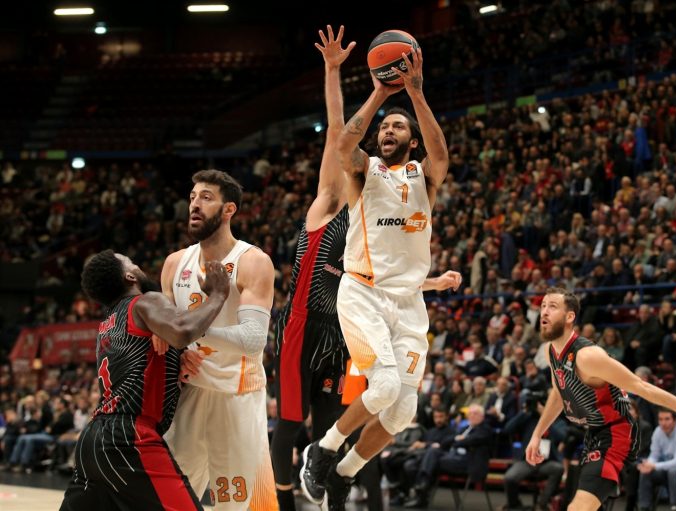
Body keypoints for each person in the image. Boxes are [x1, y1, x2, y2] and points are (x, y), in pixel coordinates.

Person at [272, 26, 461, 511]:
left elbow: (441, 153)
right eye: (385, 128)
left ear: (412, 142)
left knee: (403, 409)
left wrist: (416, 93)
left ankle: (344, 473)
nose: (388, 131)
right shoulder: (362, 173)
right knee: (382, 387)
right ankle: (324, 450)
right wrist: (378, 91)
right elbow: (341, 141)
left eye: (398, 128)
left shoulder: (425, 177)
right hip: (360, 294)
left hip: (407, 301)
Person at [59, 250, 231, 510]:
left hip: (92, 441)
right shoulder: (144, 302)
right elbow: (182, 330)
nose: (137, 264)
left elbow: (143, 365)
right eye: (132, 262)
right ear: (129, 276)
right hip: (128, 438)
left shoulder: (108, 322)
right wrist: (218, 294)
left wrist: (178, 361)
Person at [158, 170, 278, 510]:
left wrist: (188, 331)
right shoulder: (174, 264)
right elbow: (164, 335)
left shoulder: (253, 262)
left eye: (206, 198)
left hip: (236, 394)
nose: (195, 205)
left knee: (239, 506)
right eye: (193, 197)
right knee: (169, 500)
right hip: (189, 393)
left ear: (229, 210)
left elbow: (253, 340)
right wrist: (178, 352)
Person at [526, 287, 676, 511]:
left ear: (570, 317)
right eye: (542, 306)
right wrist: (537, 434)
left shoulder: (588, 356)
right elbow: (558, 394)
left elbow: (640, 386)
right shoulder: (552, 350)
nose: (544, 312)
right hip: (593, 432)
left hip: (616, 434)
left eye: (552, 306)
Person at [636, 408, 676, 511]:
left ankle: (675, 506)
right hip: (665, 468)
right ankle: (644, 507)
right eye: (660, 419)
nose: (663, 423)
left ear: (675, 420)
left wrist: (654, 465)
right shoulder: (658, 431)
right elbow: (654, 455)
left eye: (667, 419)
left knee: (673, 471)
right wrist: (648, 464)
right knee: (646, 472)